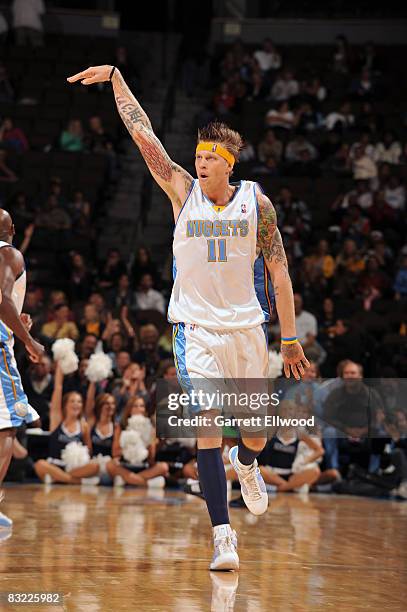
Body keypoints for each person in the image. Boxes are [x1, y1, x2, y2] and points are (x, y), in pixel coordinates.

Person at [68, 64, 309, 572]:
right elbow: (143, 134)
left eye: (208, 157)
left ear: (227, 164)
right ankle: (223, 535)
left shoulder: (255, 205)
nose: (198, 163)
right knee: (205, 422)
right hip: (195, 329)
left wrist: (289, 339)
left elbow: (280, 272)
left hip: (246, 327)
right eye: (197, 155)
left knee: (254, 435)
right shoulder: (181, 190)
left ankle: (246, 463)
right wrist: (116, 79)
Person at [0, 209, 45, 528]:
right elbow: (1, 299)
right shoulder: (10, 254)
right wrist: (29, 340)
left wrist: (18, 322)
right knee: (6, 426)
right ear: (13, 230)